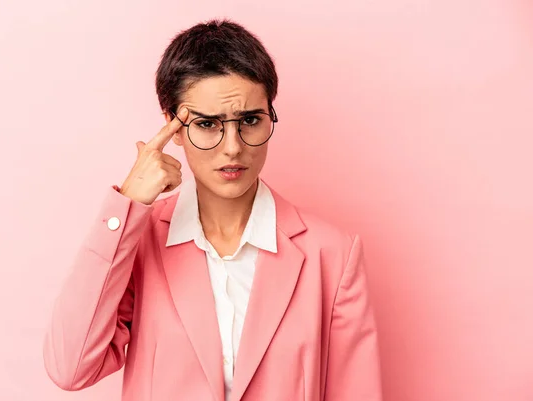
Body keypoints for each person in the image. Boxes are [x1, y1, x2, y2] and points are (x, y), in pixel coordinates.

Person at [43, 18, 382, 401]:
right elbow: (70, 369)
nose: (233, 147)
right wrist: (128, 204)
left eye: (250, 120)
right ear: (171, 125)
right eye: (207, 124)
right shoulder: (135, 243)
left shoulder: (332, 255)